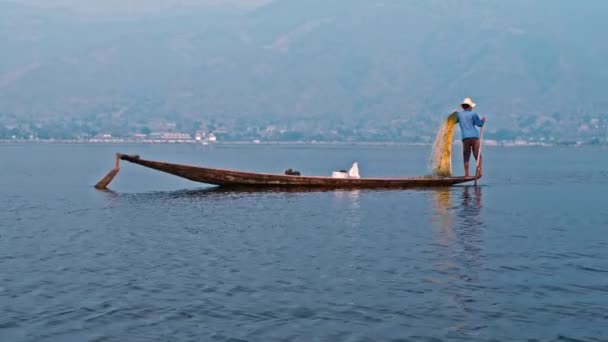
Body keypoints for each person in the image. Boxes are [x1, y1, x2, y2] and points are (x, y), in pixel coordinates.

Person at [456, 98, 486, 178]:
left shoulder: (459, 115)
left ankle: (467, 174)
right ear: (469, 106)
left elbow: (454, 121)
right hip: (474, 137)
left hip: (465, 138)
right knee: (477, 154)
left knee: (466, 155)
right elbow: (479, 124)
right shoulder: (473, 114)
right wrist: (483, 120)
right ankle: (479, 172)